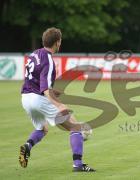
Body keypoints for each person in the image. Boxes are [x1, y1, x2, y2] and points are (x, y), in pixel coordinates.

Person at [19, 27, 95, 172]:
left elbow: (36, 81)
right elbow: (45, 90)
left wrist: (54, 91)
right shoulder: (48, 59)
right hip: (38, 98)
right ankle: (78, 165)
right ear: (57, 42)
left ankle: (27, 146)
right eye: (60, 41)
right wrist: (59, 105)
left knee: (42, 129)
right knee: (75, 126)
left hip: (26, 98)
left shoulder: (35, 54)